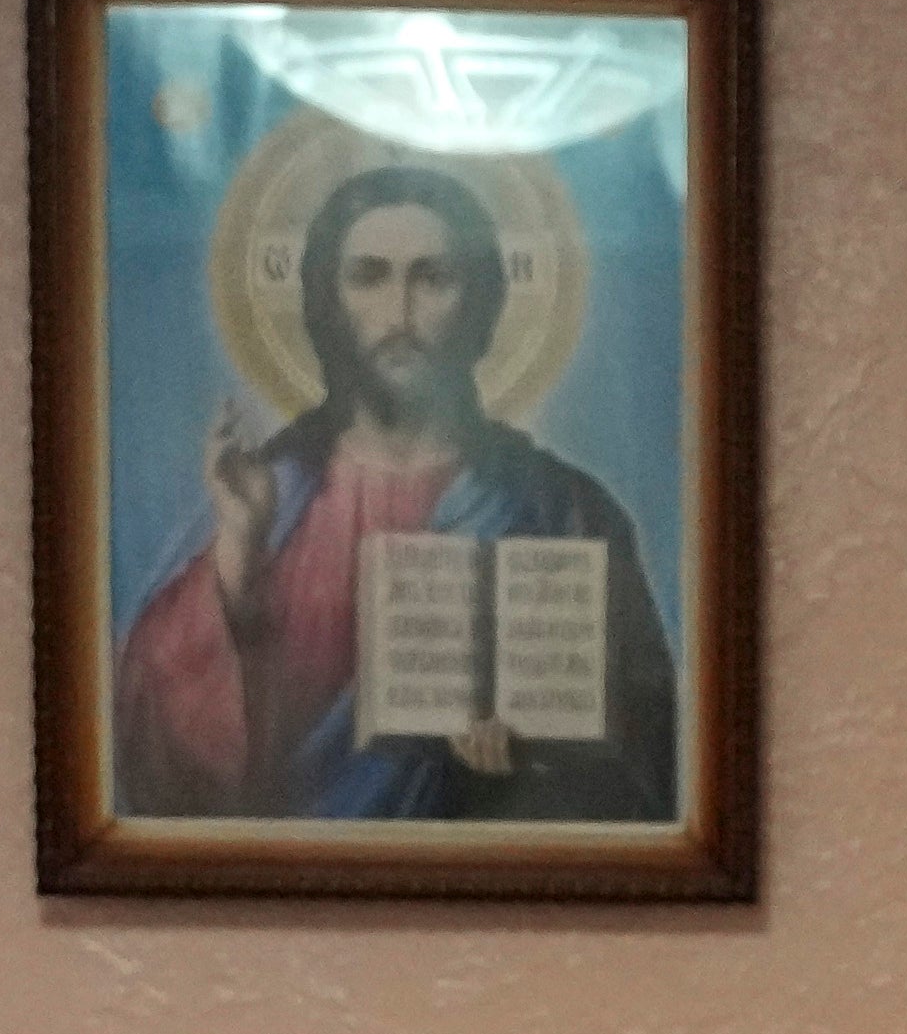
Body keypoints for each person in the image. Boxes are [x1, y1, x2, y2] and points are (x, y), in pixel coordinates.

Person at [111, 159, 682, 823]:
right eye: (369, 277)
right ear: (328, 301)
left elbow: (652, 763)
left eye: (434, 278)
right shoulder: (271, 495)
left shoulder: (565, 511)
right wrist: (237, 566)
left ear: (482, 301)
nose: (400, 313)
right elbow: (152, 755)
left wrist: (532, 761)